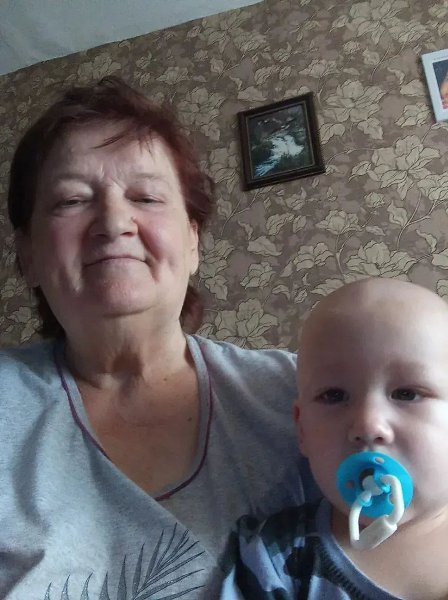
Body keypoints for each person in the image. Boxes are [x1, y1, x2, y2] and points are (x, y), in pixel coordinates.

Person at [1, 77, 315, 599]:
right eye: (71, 200)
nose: (113, 222)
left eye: (146, 196)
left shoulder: (307, 397)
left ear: (193, 241)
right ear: (28, 254)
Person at [222, 278, 448, 600]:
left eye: (407, 394)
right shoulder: (273, 560)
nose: (367, 425)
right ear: (302, 429)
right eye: (334, 395)